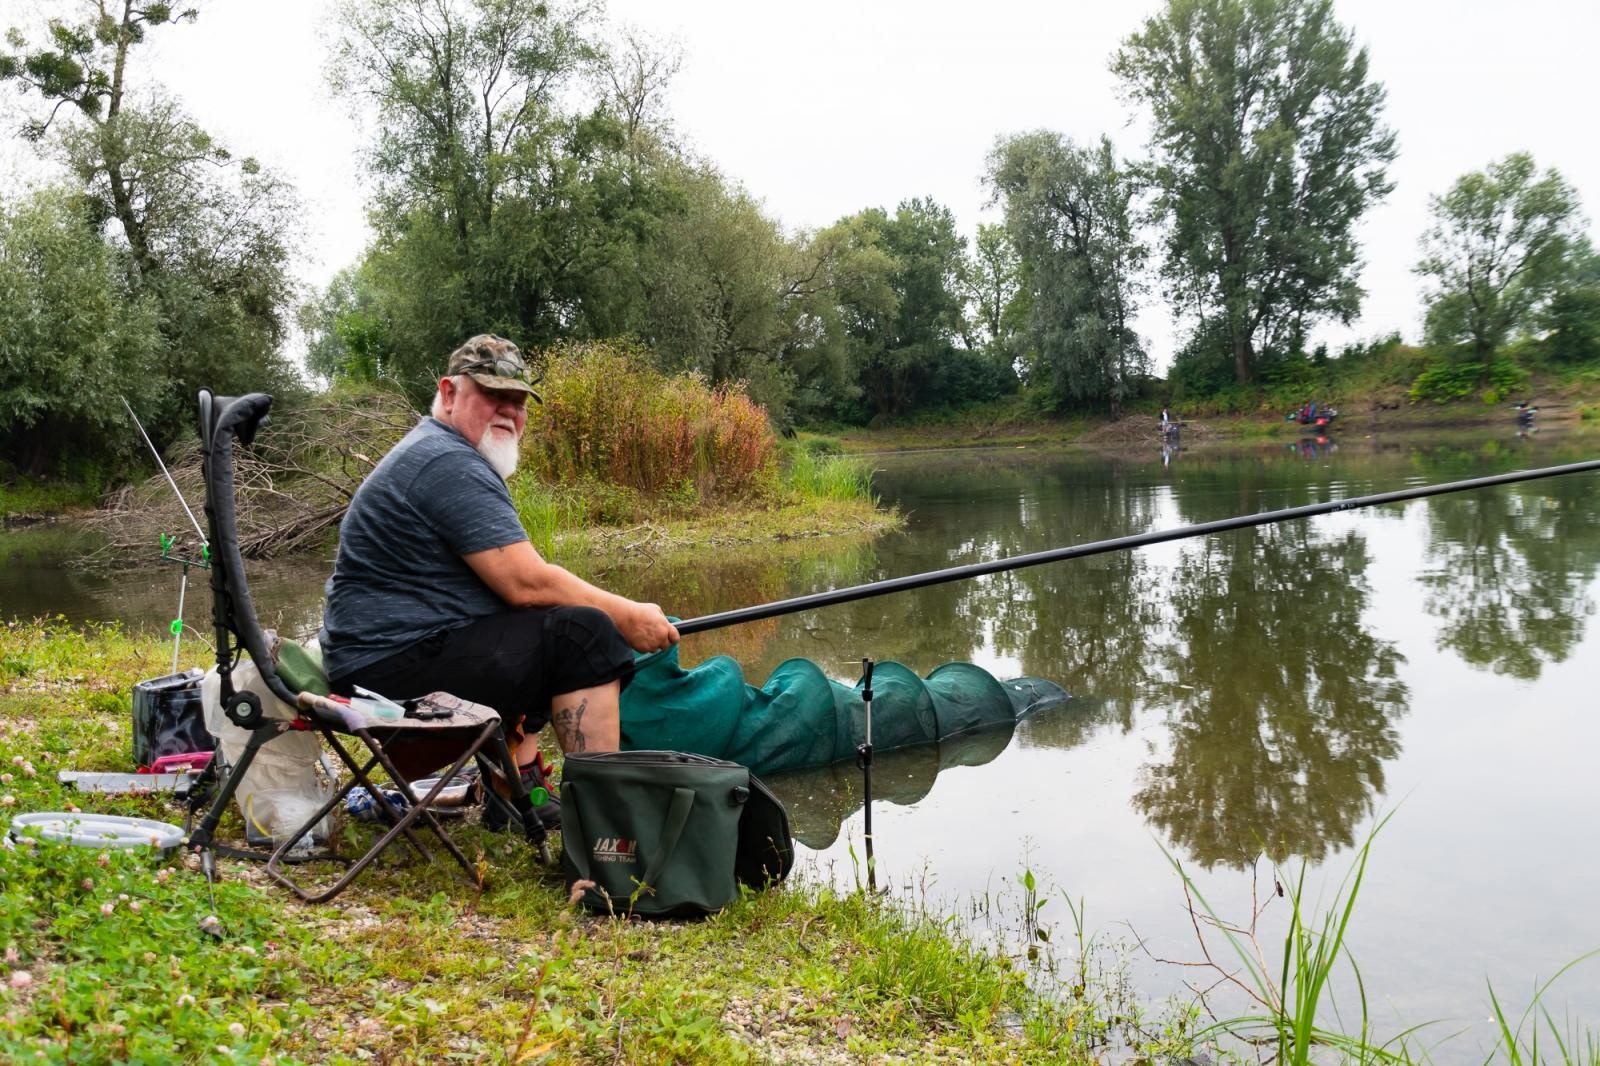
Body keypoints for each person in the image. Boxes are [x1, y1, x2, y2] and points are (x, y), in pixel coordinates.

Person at [318, 335, 678, 812]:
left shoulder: (441, 452)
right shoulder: (446, 460)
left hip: (380, 658)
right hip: (387, 667)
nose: (509, 411)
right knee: (584, 636)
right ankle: (601, 820)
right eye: (493, 395)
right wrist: (627, 615)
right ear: (449, 393)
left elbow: (518, 598)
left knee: (542, 631)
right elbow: (526, 582)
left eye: (519, 401)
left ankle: (514, 796)